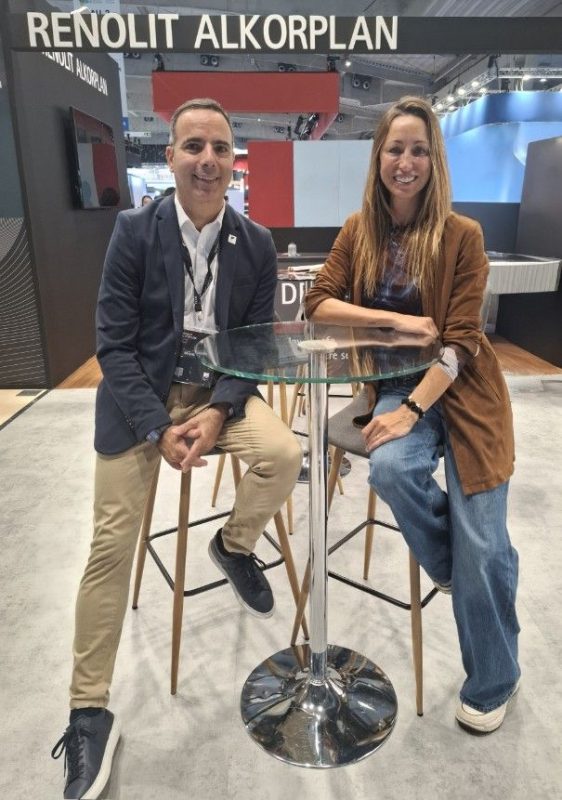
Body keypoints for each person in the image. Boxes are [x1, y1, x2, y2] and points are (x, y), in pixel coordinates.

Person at [51, 97, 302, 799]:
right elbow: (113, 346)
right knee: (110, 544)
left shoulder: (255, 243)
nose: (207, 160)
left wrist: (218, 414)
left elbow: (255, 349)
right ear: (169, 158)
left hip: (216, 394)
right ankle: (89, 711)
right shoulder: (135, 231)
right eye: (193, 146)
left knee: (284, 456)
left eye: (220, 148)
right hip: (142, 398)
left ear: (234, 161)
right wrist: (157, 428)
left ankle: (234, 544)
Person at [304, 96, 520, 735]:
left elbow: (460, 343)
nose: (406, 162)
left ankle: (494, 679)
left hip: (465, 395)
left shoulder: (462, 235)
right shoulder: (358, 231)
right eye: (395, 149)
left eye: (419, 150)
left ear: (434, 159)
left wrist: (415, 409)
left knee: (487, 542)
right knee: (393, 471)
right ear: (378, 158)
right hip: (393, 388)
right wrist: (393, 322)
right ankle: (454, 566)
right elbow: (319, 301)